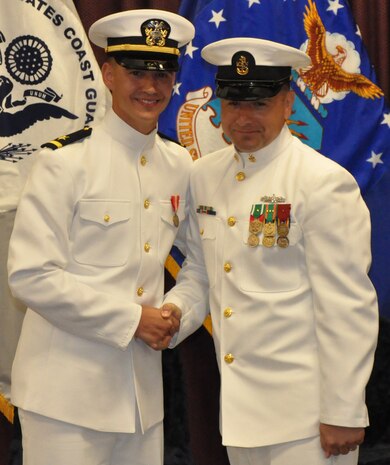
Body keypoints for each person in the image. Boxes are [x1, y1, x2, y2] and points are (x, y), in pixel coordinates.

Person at [162, 37, 379, 465]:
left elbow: (347, 306)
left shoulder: (321, 183)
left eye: (259, 104)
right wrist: (173, 315)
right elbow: (203, 272)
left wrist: (343, 409)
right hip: (240, 417)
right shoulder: (204, 176)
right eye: (234, 104)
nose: (244, 118)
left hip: (307, 422)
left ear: (287, 103)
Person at [7, 9, 194, 465]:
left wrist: (177, 312)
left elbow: (203, 263)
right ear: (108, 74)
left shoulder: (180, 165)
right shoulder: (64, 163)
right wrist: (132, 320)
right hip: (63, 400)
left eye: (162, 73)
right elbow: (30, 276)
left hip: (141, 401)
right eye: (135, 72)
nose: (150, 87)